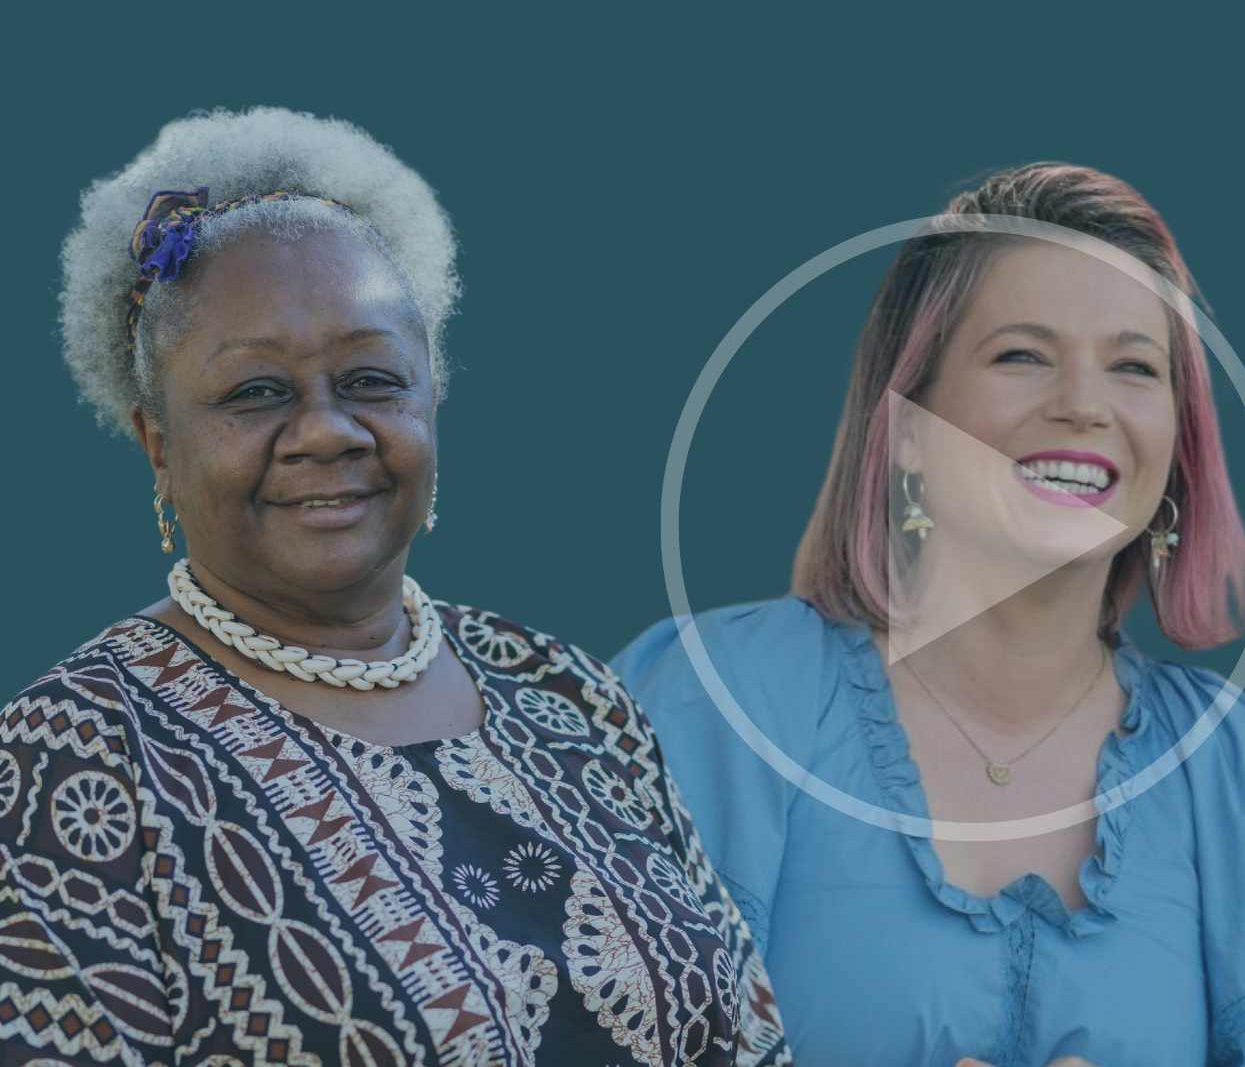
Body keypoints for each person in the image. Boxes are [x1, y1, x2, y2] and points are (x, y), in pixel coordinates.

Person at [1, 107, 789, 1065]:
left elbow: (747, 1035)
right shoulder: (72, 758)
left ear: (431, 395)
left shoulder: (567, 692)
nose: (328, 431)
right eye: (256, 393)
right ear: (158, 444)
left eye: (372, 379)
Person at [613, 163, 1245, 1066]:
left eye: (1134, 366)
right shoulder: (713, 700)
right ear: (909, 427)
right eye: (1022, 355)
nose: (1084, 405)